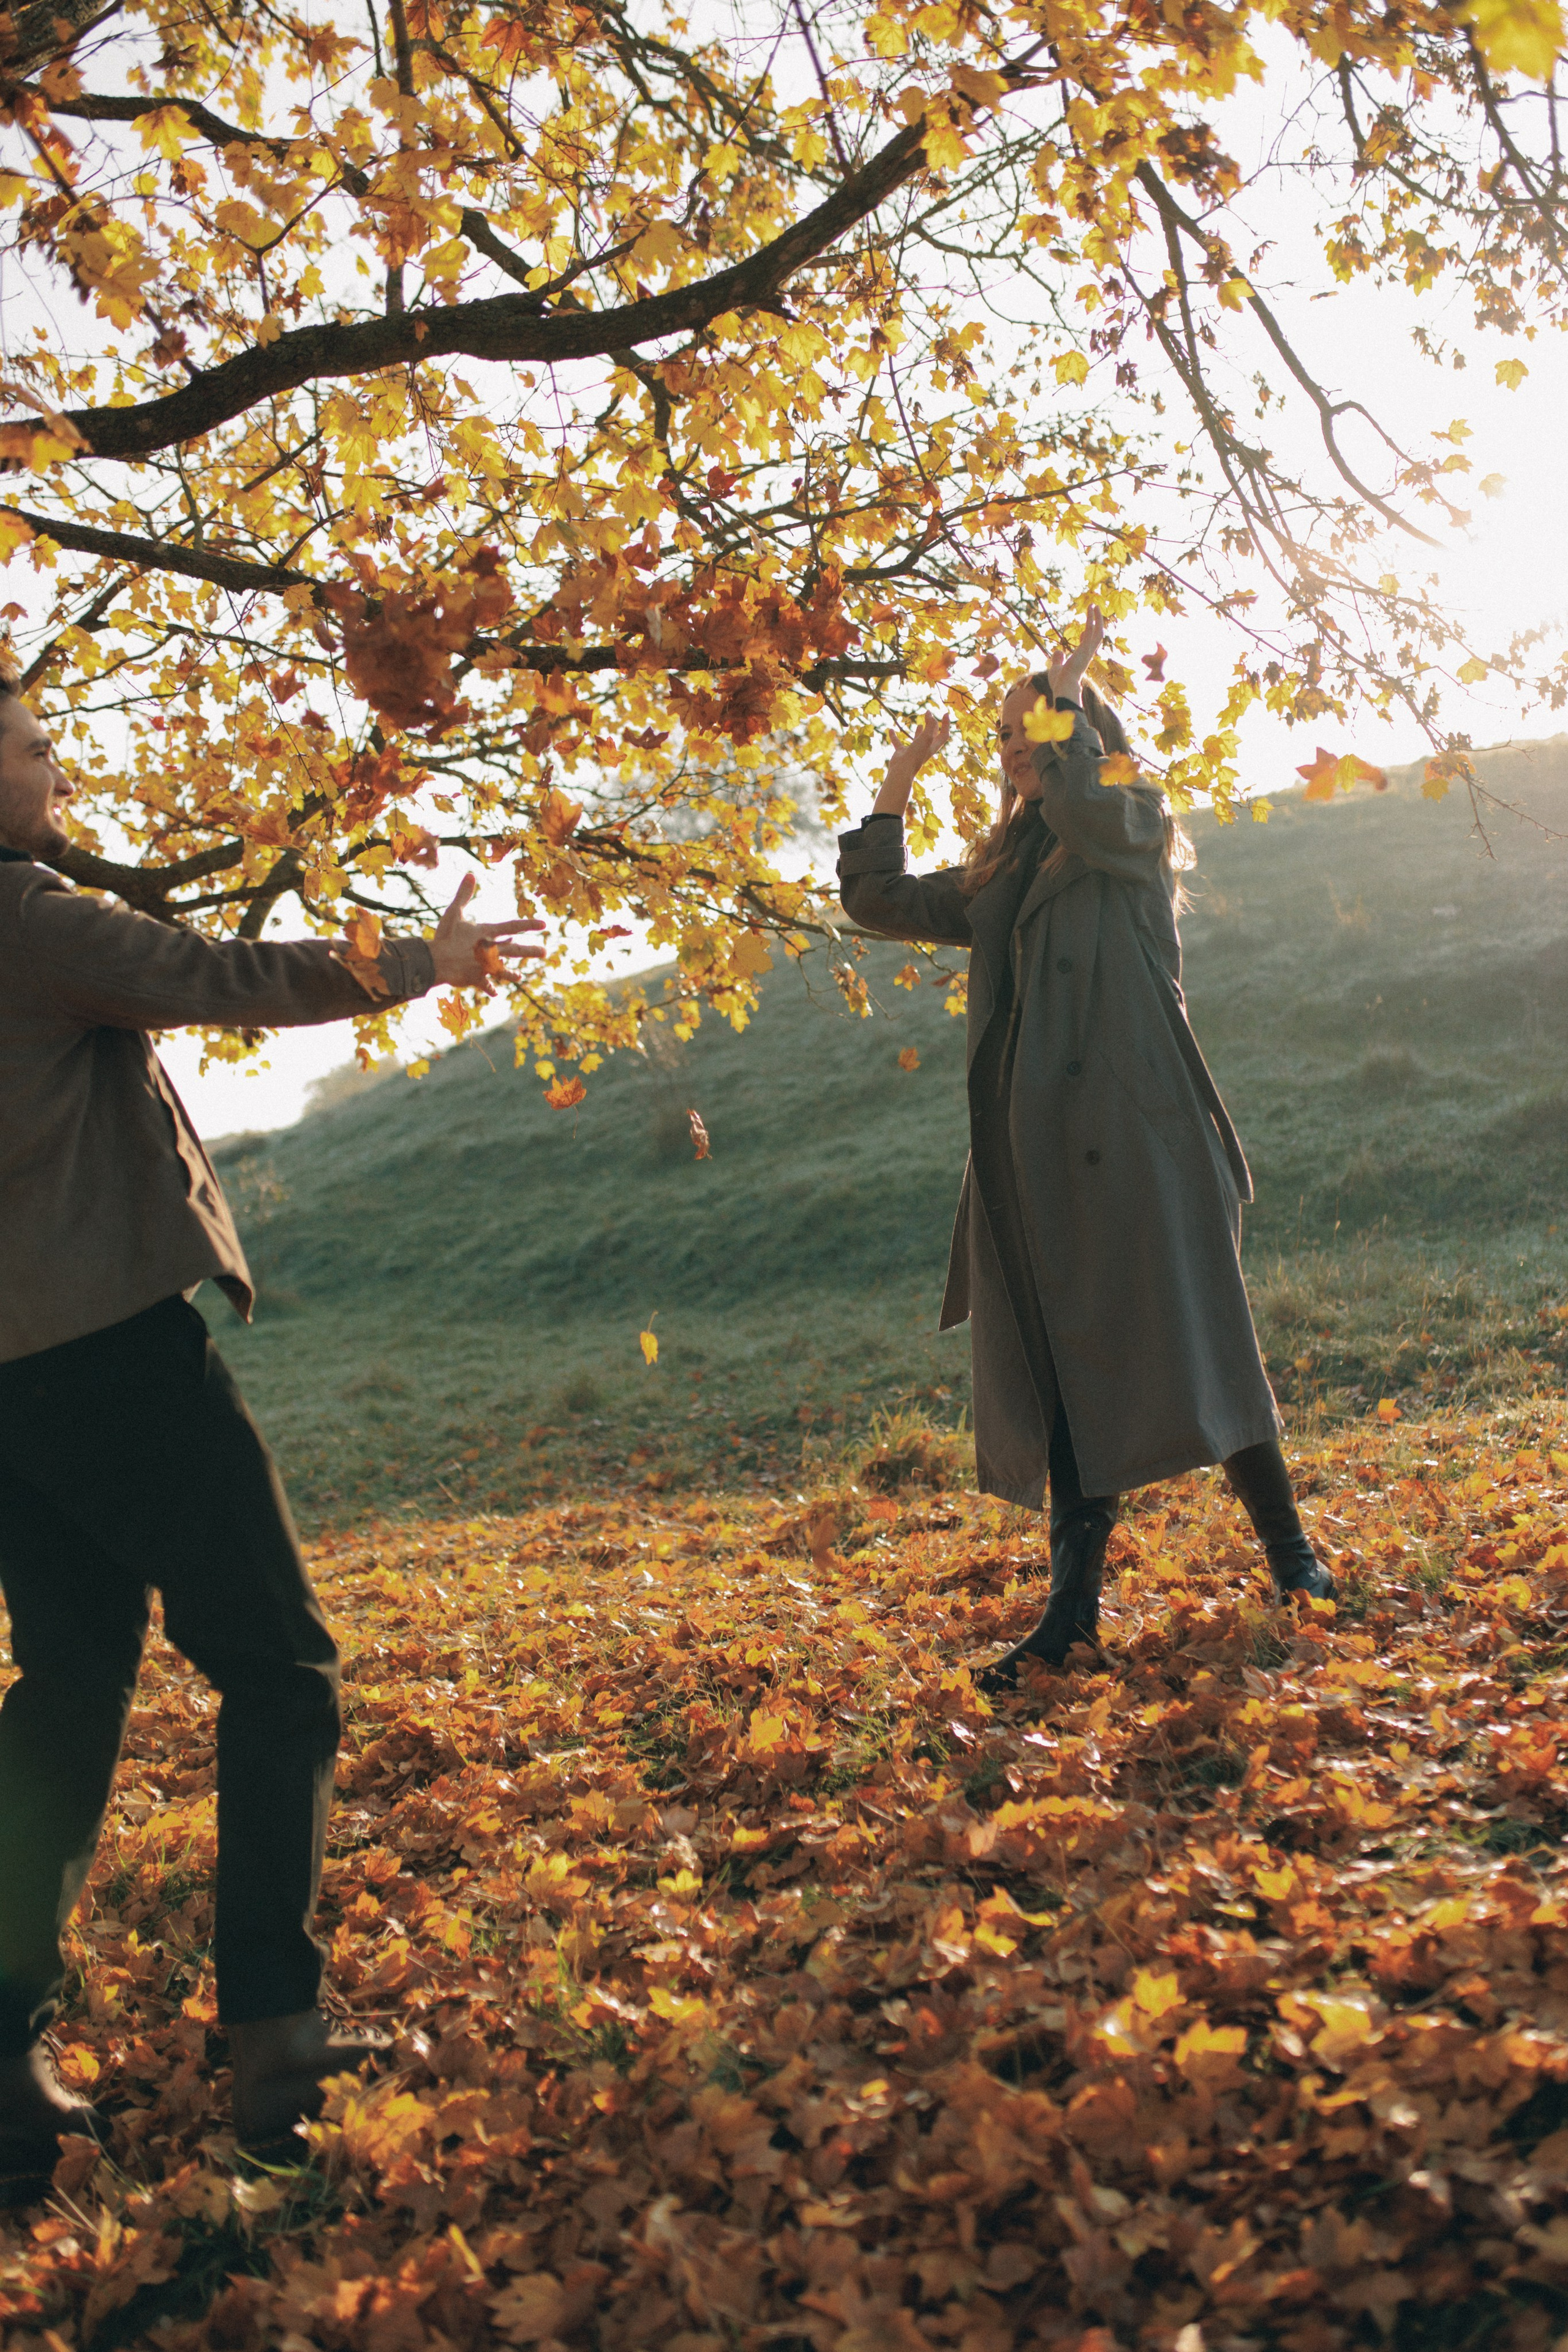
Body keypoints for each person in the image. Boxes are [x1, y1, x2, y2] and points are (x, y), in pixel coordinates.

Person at [0, 679, 541, 2186]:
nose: (55, 766)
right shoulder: (27, 915)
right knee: (281, 1663)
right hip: (108, 1347)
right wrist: (418, 962)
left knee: (69, 1682)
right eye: (31, 745)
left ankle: (0, 2070)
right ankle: (278, 2037)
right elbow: (218, 973)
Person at [837, 610, 1334, 1693]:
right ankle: (1070, 1619)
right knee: (1064, 1377)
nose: (1017, 749)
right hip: (1037, 1164)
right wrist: (899, 773)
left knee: (1200, 1342)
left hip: (1147, 1144)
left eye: (1037, 728)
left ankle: (1295, 1556)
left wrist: (1058, 713)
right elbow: (875, 900)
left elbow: (1084, 797)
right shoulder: (1004, 874)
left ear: (1081, 733)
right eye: (1007, 737)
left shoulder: (1131, 826)